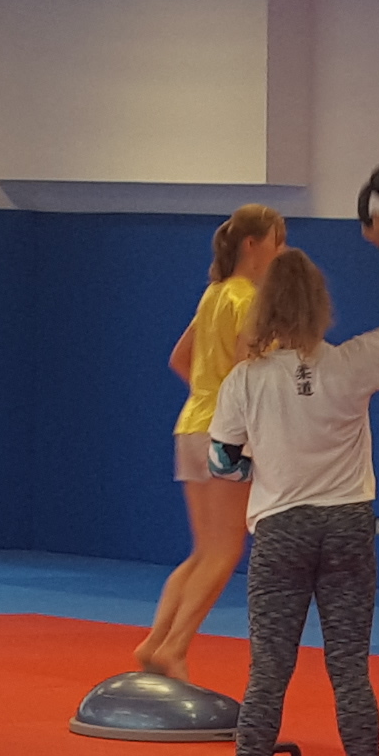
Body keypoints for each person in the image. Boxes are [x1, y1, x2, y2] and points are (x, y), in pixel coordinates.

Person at [201, 238, 379, 756]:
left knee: (269, 669)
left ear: (265, 308)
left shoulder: (246, 381)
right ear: (321, 305)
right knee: (349, 668)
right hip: (349, 524)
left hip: (281, 529)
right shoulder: (355, 361)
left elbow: (222, 461)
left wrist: (263, 466)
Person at [131, 204, 288, 680]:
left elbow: (180, 358)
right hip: (226, 433)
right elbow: (246, 370)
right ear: (253, 245)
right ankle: (174, 647)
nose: (282, 251)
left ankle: (155, 641)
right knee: (223, 551)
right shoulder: (251, 301)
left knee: (204, 549)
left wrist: (208, 394)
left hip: (192, 425)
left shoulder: (214, 294)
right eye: (278, 241)